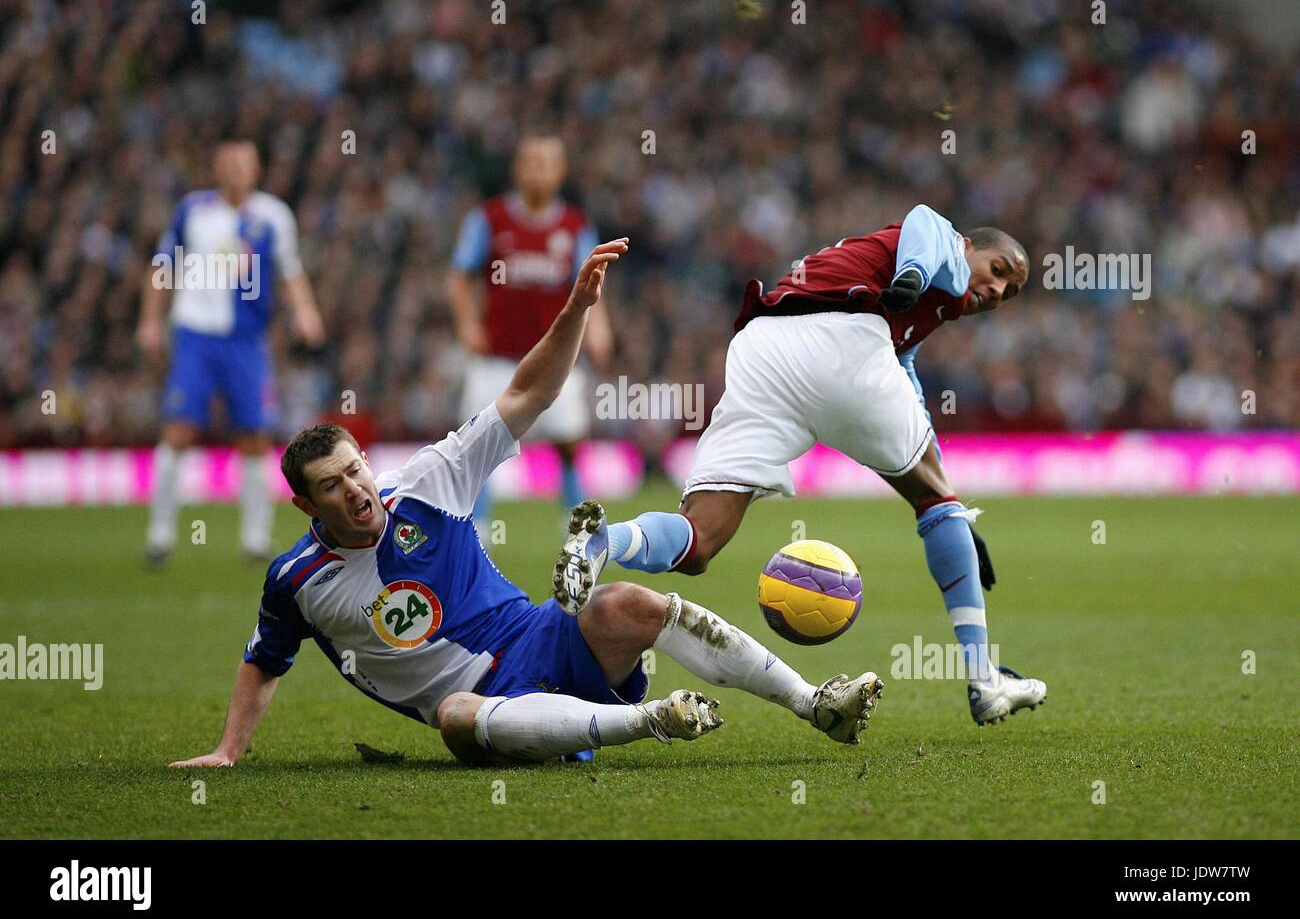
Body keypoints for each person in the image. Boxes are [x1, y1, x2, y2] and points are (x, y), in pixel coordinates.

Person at [169, 239, 884, 770]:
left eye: (355, 469)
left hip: (541, 636)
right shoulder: (297, 580)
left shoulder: (427, 482)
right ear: (305, 504)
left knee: (626, 603)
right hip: (481, 706)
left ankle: (816, 702)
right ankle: (649, 719)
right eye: (333, 485)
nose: (356, 490)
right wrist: (228, 751)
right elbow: (265, 659)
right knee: (453, 714)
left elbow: (526, 395)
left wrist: (573, 311)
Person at [552, 205, 1046, 726]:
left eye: (1008, 295)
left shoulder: (921, 314)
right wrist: (914, 275)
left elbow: (906, 376)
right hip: (841, 341)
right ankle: (983, 678)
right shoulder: (939, 245)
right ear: (970, 246)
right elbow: (926, 222)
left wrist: (950, 509)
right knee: (935, 505)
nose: (995, 293)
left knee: (700, 541)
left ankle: (606, 540)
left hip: (764, 350)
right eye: (998, 272)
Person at [138, 139, 325, 564]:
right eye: (230, 163)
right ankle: (160, 535)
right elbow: (162, 265)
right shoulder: (193, 210)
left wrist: (306, 311)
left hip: (247, 342)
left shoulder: (274, 215)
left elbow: (289, 269)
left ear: (257, 169)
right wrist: (150, 320)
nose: (238, 171)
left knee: (255, 437)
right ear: (216, 168)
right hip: (196, 336)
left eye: (245, 164)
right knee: (179, 431)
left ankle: (255, 541)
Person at [448, 132, 613, 536]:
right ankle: (475, 524)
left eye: (547, 163)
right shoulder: (489, 220)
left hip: (556, 356)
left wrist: (600, 328)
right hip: (497, 355)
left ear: (560, 171)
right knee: (480, 441)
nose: (538, 171)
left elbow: (592, 281)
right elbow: (458, 276)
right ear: (517, 170)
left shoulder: (575, 225)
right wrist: (467, 322)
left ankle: (576, 524)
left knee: (569, 441)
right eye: (531, 162)